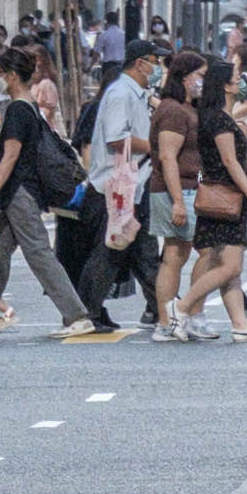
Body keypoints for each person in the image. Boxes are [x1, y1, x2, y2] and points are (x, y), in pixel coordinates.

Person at [0, 42, 97, 338]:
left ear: (10, 76)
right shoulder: (29, 108)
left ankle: (77, 315)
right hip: (18, 193)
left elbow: (10, 156)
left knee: (38, 252)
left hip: (20, 192)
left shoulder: (18, 111)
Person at [169, 58, 247, 342]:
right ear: (226, 86)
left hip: (229, 199)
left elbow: (242, 154)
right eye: (237, 77)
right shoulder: (217, 118)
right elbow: (230, 161)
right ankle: (179, 307)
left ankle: (241, 327)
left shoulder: (225, 118)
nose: (241, 81)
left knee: (230, 269)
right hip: (223, 198)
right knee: (230, 266)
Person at [78, 38, 163, 331]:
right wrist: (154, 144)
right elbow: (116, 138)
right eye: (155, 61)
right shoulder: (120, 94)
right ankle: (85, 313)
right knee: (112, 254)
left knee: (141, 254)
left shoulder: (136, 94)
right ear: (140, 64)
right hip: (114, 189)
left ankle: (165, 309)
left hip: (131, 187)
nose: (158, 67)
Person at [149, 50, 212, 342]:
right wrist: (177, 200)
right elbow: (167, 157)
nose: (204, 81)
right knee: (176, 254)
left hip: (187, 189)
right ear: (184, 77)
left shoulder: (187, 108)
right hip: (175, 190)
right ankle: (167, 320)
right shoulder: (173, 110)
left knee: (181, 253)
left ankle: (177, 316)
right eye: (200, 75)